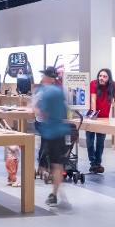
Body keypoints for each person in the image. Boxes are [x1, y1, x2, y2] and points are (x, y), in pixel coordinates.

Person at [34, 66, 71, 209]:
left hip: (51, 133)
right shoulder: (60, 91)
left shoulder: (47, 94)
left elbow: (44, 114)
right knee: (57, 165)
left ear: (48, 78)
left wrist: (34, 108)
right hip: (62, 131)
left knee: (51, 166)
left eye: (43, 76)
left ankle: (61, 197)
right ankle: (55, 195)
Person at [86, 68, 115, 174]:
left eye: (104, 76)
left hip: (104, 118)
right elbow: (93, 99)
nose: (101, 78)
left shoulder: (113, 86)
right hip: (92, 117)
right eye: (100, 76)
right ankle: (93, 162)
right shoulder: (93, 83)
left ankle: (98, 163)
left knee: (100, 142)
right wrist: (93, 113)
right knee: (90, 141)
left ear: (109, 78)